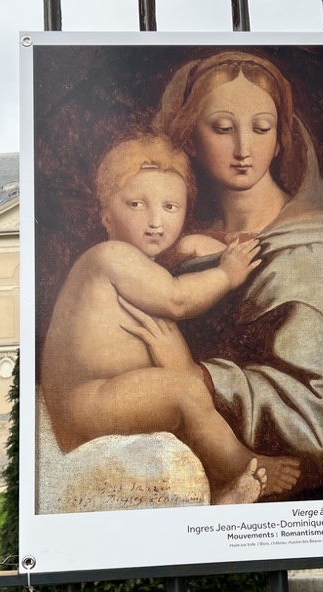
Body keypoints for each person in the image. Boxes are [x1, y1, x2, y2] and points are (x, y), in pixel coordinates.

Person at [121, 51, 323, 497]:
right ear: (189, 138)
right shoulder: (176, 240)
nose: (244, 149)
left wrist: (196, 377)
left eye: (262, 129)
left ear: (280, 140)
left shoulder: (317, 251)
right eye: (222, 128)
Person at [40, 132, 300, 504]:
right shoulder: (110, 255)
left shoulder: (137, 265)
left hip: (105, 398)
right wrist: (226, 275)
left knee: (186, 389)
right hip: (87, 402)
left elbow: (176, 263)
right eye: (136, 205)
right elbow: (177, 299)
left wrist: (193, 245)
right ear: (107, 218)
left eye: (170, 208)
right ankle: (245, 465)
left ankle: (225, 492)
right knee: (185, 392)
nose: (155, 222)